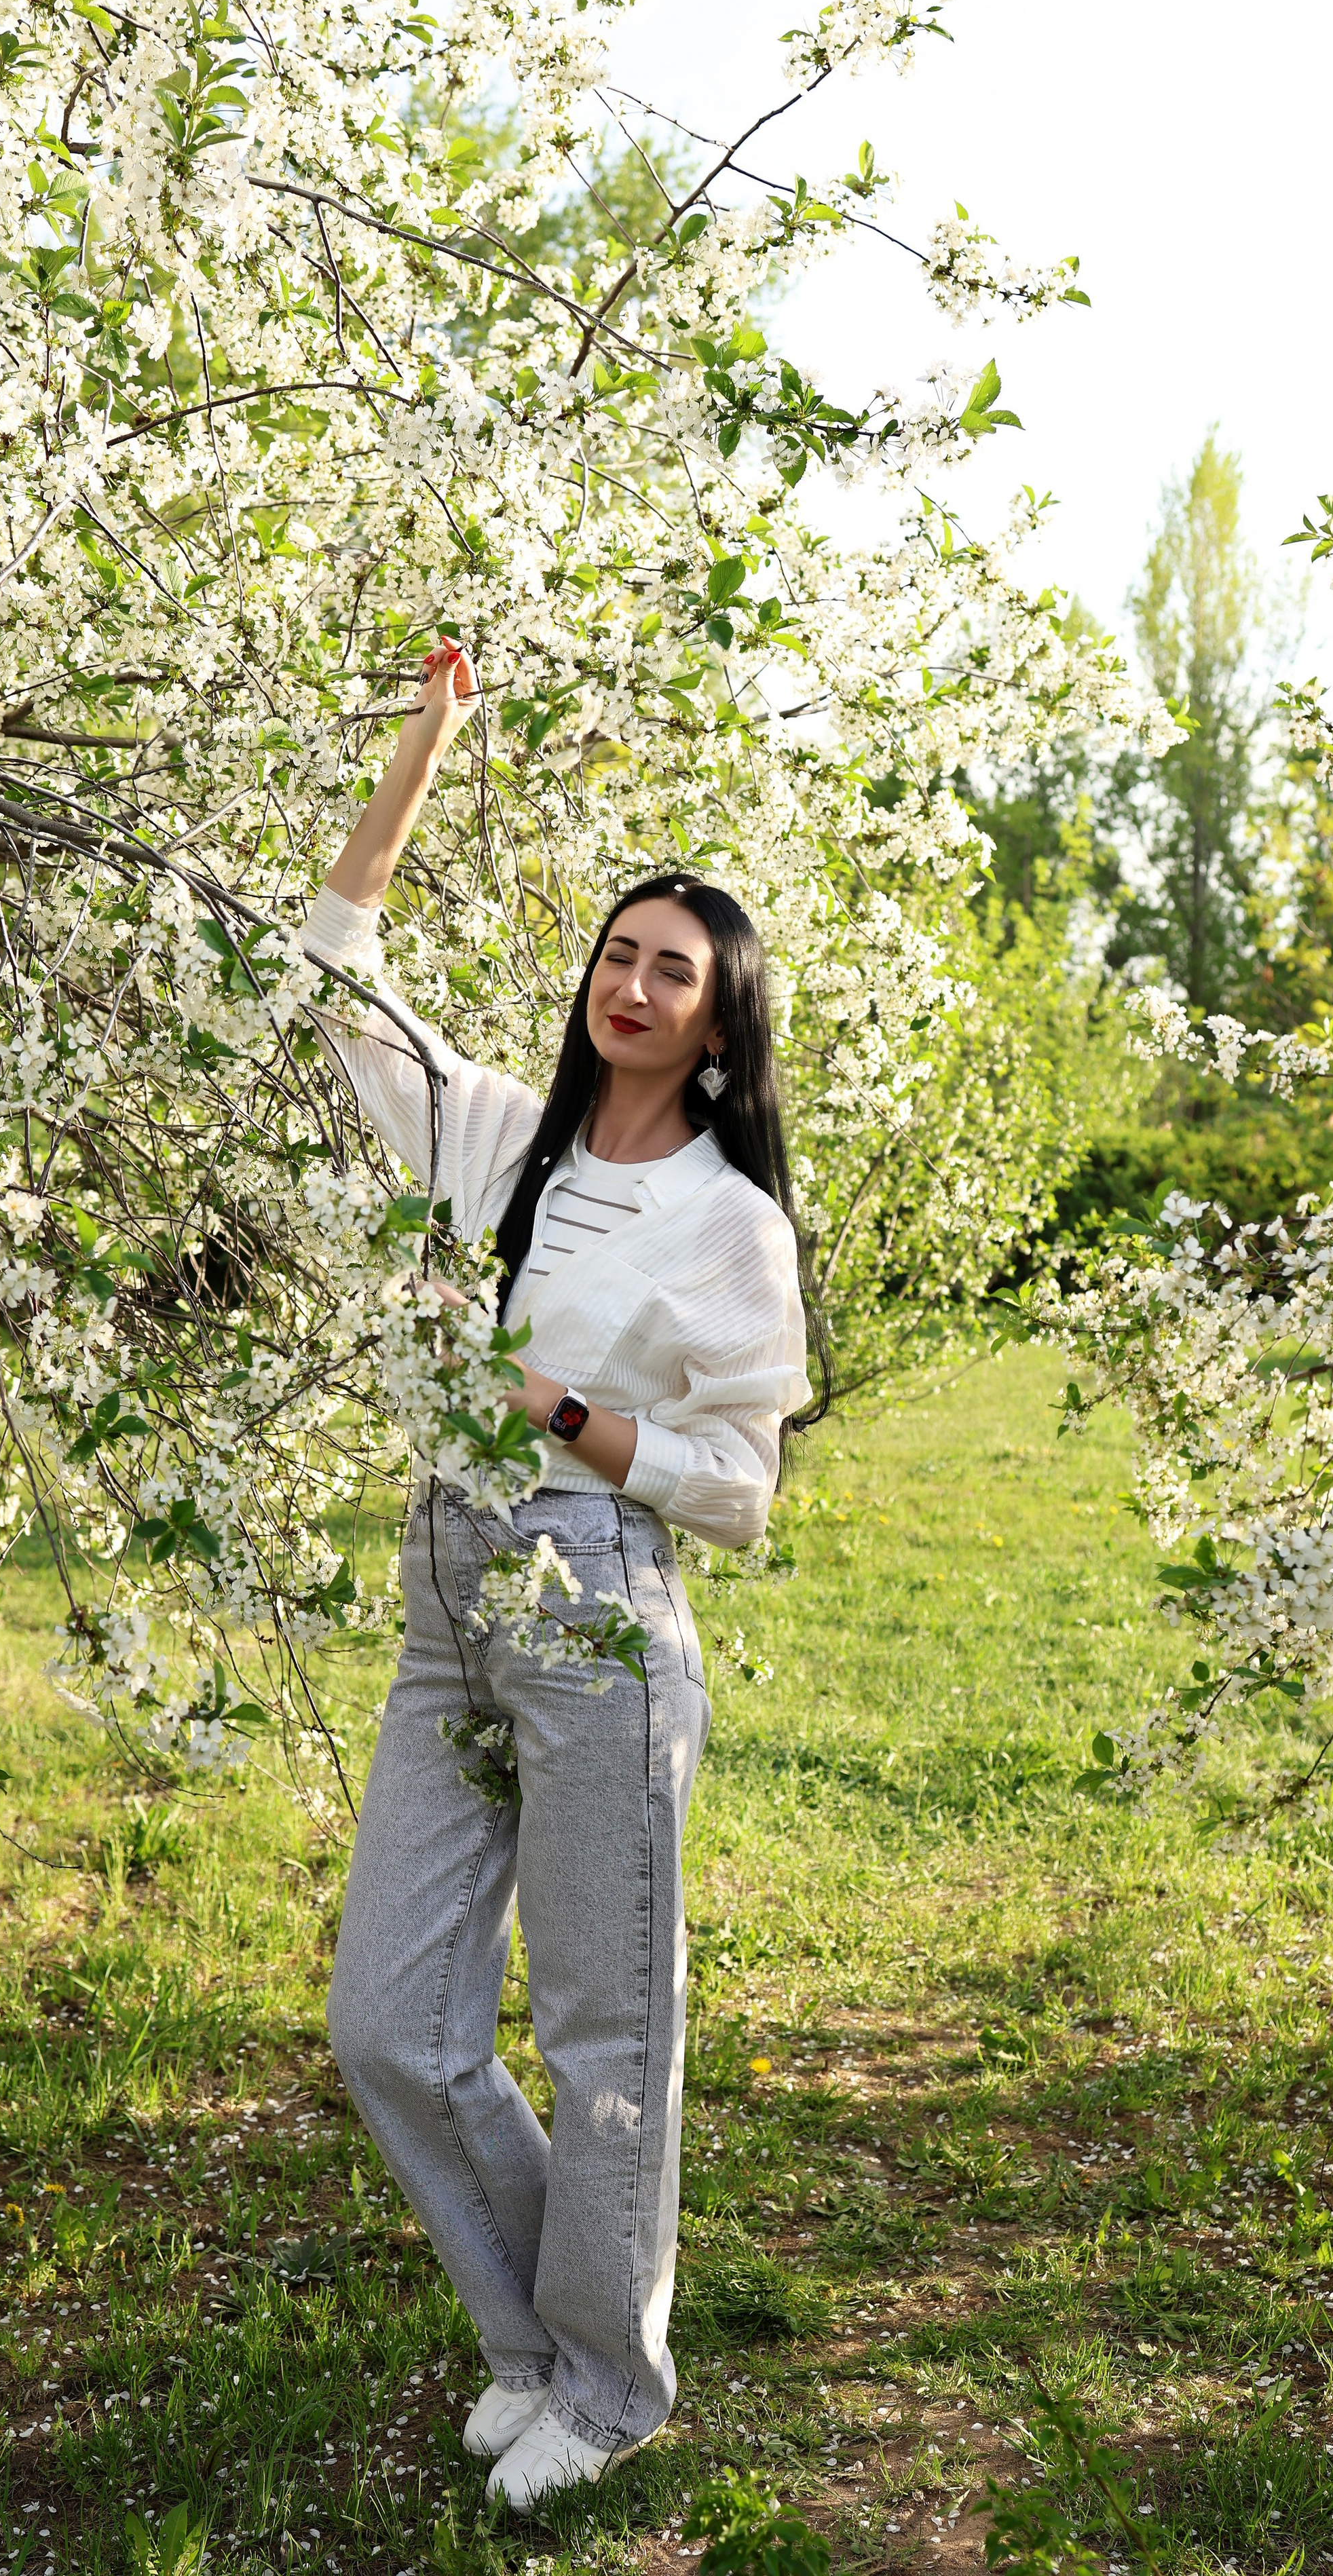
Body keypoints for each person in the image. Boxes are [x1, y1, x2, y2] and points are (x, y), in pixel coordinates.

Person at [310, 642, 821, 2509]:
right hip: (453, 1589)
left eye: (670, 969)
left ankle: (603, 2387)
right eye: (617, 954)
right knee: (391, 2021)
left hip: (599, 1600)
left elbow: (736, 1489)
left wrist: (569, 1413)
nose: (630, 983)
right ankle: (533, 2334)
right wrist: (425, 747)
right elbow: (329, 971)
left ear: (717, 1020)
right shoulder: (493, 1140)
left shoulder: (730, 1225)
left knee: (608, 2025)